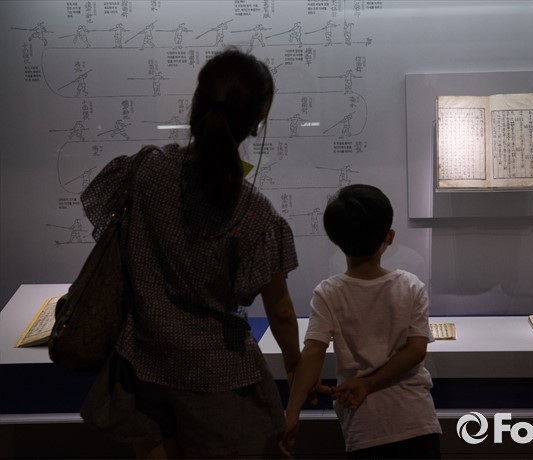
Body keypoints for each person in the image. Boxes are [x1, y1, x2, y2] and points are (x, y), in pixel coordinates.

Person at [79, 47, 301, 458]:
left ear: (197, 104)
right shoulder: (254, 213)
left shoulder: (144, 170)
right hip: (217, 380)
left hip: (144, 363)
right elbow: (282, 312)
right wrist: (296, 366)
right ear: (257, 123)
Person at [279, 184, 442, 459]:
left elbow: (313, 351)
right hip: (418, 421)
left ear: (336, 240)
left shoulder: (328, 292)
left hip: (365, 428)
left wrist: (292, 412)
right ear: (389, 237)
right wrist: (370, 383)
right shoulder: (411, 285)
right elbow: (416, 350)